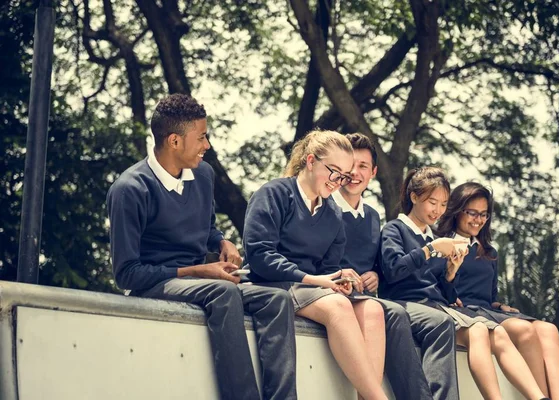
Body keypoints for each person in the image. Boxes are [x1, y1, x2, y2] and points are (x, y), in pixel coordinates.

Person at [107, 93, 297, 400]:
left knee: (277, 297)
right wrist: (198, 270)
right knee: (223, 292)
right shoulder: (129, 190)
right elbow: (127, 275)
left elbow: (207, 227)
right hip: (157, 283)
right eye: (202, 137)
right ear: (174, 141)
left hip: (201, 280)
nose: (207, 146)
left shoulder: (203, 175)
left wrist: (222, 240)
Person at [378, 167, 550, 400]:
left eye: (443, 204)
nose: (437, 210)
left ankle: (538, 398)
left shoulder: (435, 238)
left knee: (494, 331)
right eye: (432, 202)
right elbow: (393, 271)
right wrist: (429, 251)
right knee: (478, 329)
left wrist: (451, 272)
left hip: (437, 306)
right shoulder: (394, 230)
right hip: (410, 305)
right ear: (414, 197)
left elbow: (446, 293)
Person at [243, 130, 388, 400]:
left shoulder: (333, 213)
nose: (338, 182)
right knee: (338, 306)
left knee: (372, 310)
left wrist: (339, 278)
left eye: (343, 176)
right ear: (310, 161)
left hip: (310, 289)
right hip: (271, 284)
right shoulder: (273, 193)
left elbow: (327, 266)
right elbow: (260, 255)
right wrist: (314, 280)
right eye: (334, 171)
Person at [437, 182, 559, 400]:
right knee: (525, 331)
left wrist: (500, 305)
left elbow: (489, 297)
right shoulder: (442, 245)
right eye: (472, 213)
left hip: (489, 311)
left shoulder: (489, 252)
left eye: (484, 215)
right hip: (464, 314)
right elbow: (439, 287)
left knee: (548, 330)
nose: (478, 220)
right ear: (456, 210)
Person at [331, 133, 432, 400]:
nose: (354, 172)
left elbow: (378, 264)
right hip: (332, 291)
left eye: (363, 166)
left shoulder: (373, 216)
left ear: (373, 172)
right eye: (349, 164)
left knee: (394, 314)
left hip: (363, 296)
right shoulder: (327, 205)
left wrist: (375, 273)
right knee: (393, 314)